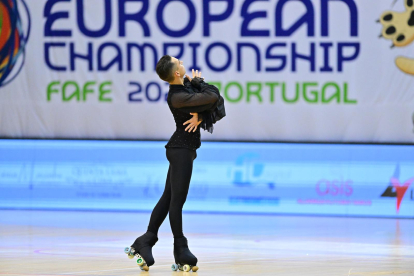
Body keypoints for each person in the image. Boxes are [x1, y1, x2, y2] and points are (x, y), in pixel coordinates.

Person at [124, 55, 222, 272]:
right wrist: (200, 83)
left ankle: (145, 241)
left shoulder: (184, 90)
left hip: (183, 149)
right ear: (176, 72)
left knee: (168, 198)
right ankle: (181, 249)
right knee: (177, 202)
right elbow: (212, 96)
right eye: (179, 62)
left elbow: (212, 103)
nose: (182, 62)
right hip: (181, 151)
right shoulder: (178, 96)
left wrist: (200, 116)